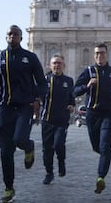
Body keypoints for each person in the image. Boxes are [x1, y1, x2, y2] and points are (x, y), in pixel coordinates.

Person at [0, 24, 47, 203]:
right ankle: (9, 188)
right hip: (5, 108)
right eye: (9, 34)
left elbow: (42, 83)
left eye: (15, 34)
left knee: (19, 139)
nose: (12, 36)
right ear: (6, 37)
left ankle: (29, 147)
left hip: (24, 107)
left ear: (21, 37)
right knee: (5, 151)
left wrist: (38, 99)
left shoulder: (30, 58)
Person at [73, 43, 111, 194]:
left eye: (102, 53)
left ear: (107, 55)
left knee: (105, 145)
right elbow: (75, 90)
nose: (100, 56)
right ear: (94, 56)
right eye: (97, 53)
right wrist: (87, 86)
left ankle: (101, 177)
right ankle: (105, 156)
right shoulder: (88, 71)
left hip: (108, 113)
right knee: (96, 146)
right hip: (92, 113)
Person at [40, 55, 75, 184]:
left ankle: (61, 161)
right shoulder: (45, 80)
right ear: (50, 65)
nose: (57, 65)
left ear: (63, 65)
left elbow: (72, 98)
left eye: (59, 63)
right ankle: (49, 172)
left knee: (59, 144)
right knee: (47, 149)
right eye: (54, 63)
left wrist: (72, 105)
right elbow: (38, 95)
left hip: (62, 120)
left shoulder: (69, 81)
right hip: (47, 119)